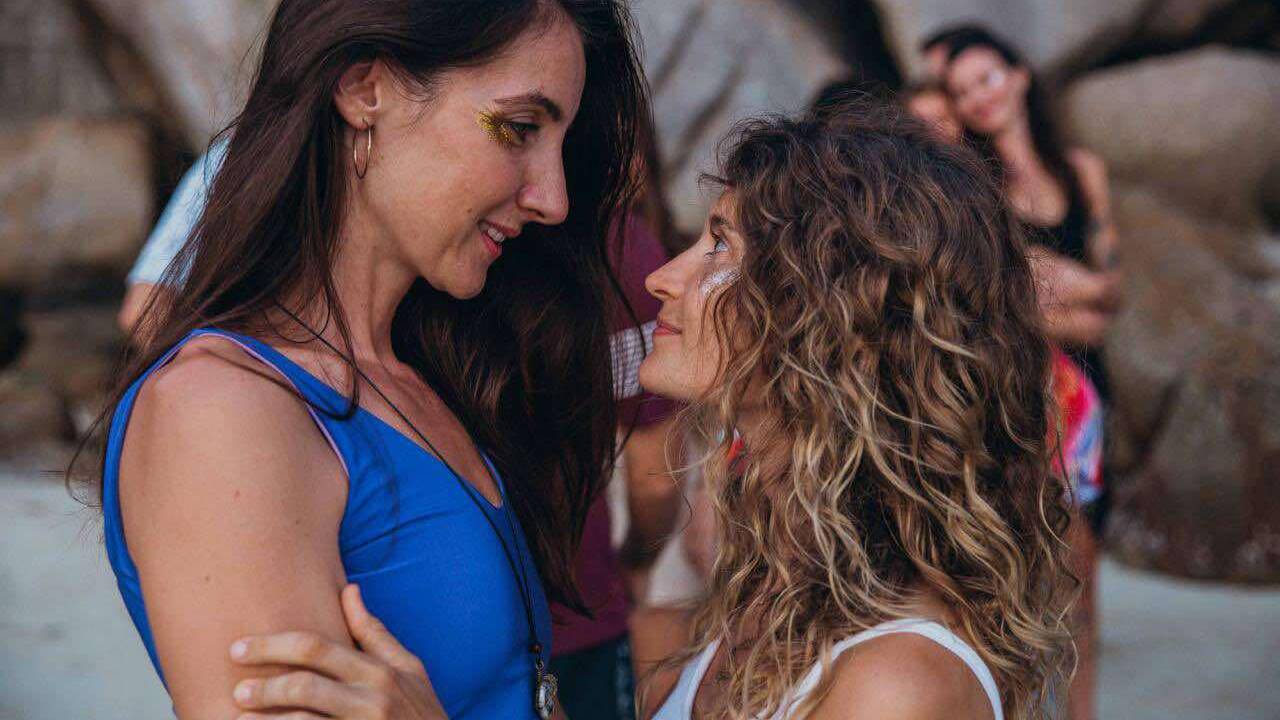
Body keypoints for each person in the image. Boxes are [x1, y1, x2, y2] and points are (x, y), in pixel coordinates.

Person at [226, 101, 1075, 720]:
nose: (666, 276)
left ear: (835, 313)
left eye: (721, 245)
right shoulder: (779, 586)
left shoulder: (899, 683)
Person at [80, 0, 648, 717]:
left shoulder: (431, 378)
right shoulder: (223, 411)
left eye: (560, 145)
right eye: (519, 128)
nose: (554, 199)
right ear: (363, 90)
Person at [944, 28, 1118, 720]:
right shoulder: (977, 189)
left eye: (986, 78)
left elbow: (1111, 296)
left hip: (1089, 400)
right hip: (1015, 396)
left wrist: (1062, 290)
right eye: (962, 91)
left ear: (1018, 76)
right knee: (1009, 584)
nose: (978, 97)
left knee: (1082, 584)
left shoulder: (1081, 171)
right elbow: (1004, 306)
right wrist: (1070, 296)